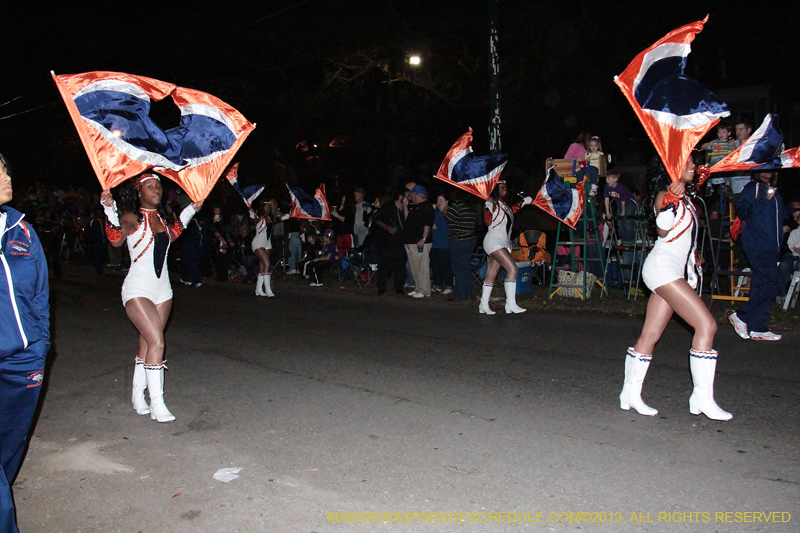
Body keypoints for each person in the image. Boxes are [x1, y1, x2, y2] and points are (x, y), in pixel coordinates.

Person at [620, 158, 731, 421]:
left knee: (650, 334)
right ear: (672, 168)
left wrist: (693, 256)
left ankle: (629, 394)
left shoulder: (687, 198)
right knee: (707, 326)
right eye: (687, 163)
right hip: (662, 270)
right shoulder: (663, 195)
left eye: (694, 162)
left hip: (671, 269)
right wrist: (669, 199)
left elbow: (682, 237)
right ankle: (702, 397)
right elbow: (662, 229)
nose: (694, 166)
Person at [101, 172, 202, 423]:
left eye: (158, 186)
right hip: (138, 289)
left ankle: (138, 395)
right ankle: (158, 402)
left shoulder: (164, 220)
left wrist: (192, 208)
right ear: (139, 192)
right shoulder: (131, 217)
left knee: (147, 343)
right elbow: (115, 241)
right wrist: (109, 210)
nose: (156, 190)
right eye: (150, 186)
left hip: (163, 290)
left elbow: (177, 229)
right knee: (157, 341)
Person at [0, 153, 51, 533]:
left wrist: (40, 345)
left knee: (11, 449)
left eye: (5, 167)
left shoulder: (22, 230)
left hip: (23, 360)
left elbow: (39, 295)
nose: (6, 175)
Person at [728, 171, 787, 341]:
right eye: (765, 168)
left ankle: (758, 327)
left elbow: (776, 218)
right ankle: (741, 316)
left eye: (771, 169)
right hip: (757, 244)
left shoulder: (773, 191)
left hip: (771, 245)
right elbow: (743, 210)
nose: (769, 172)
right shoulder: (752, 188)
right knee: (773, 282)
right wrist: (762, 201)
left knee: (761, 284)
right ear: (758, 172)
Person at [479, 180, 531, 314]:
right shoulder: (492, 203)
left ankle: (483, 304)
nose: (504, 189)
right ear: (495, 189)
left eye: (505, 187)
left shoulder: (505, 206)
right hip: (493, 241)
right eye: (501, 187)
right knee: (513, 268)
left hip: (503, 242)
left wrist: (523, 202)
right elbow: (487, 221)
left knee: (491, 273)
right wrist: (487, 208)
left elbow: (513, 210)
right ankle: (510, 304)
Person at [372, 189, 407, 295]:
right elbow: (377, 219)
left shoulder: (406, 207)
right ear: (400, 196)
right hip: (386, 241)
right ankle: (382, 287)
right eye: (406, 195)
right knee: (383, 265)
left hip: (400, 240)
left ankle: (399, 287)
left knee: (400, 265)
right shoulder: (388, 207)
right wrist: (387, 227)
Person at [402, 185, 435, 298]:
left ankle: (424, 290)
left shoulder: (427, 207)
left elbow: (427, 224)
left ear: (418, 196)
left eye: (412, 195)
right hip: (411, 241)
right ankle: (418, 287)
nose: (410, 197)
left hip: (420, 242)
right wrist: (405, 207)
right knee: (414, 266)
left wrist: (423, 238)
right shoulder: (415, 207)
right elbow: (407, 220)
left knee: (422, 266)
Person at [445, 189, 478, 301]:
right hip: (470, 240)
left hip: (458, 240)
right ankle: (468, 294)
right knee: (466, 268)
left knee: (458, 269)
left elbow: (448, 218)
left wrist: (445, 210)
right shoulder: (472, 207)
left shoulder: (458, 205)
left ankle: (459, 296)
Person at [250, 199, 276, 297]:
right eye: (266, 206)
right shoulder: (258, 217)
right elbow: (253, 218)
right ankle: (268, 289)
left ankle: (258, 289)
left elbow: (279, 219)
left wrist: (289, 214)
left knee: (262, 264)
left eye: (269, 206)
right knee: (267, 263)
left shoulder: (271, 218)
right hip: (258, 242)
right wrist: (250, 210)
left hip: (267, 243)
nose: (268, 208)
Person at [431, 192, 453, 294]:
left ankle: (449, 285)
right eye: (438, 200)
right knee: (436, 266)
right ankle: (438, 284)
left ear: (446, 202)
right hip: (435, 244)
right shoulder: (437, 213)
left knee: (445, 266)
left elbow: (442, 226)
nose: (439, 202)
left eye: (441, 200)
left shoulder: (447, 213)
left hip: (444, 245)